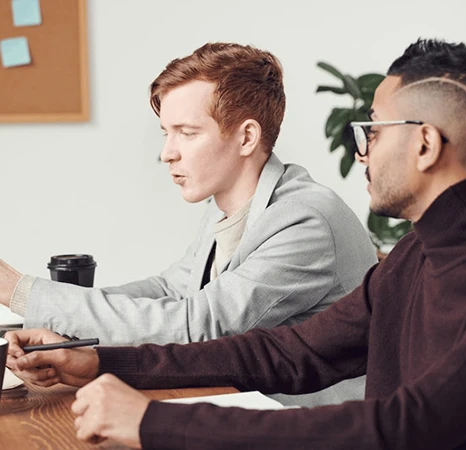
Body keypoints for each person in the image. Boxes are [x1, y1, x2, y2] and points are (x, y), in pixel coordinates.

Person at [7, 37, 466, 449]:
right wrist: (100, 361)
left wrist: (154, 424)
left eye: (372, 130)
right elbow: (287, 352)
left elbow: (403, 430)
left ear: (425, 145)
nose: (360, 150)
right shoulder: (417, 255)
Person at [0, 43, 377, 407]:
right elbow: (171, 290)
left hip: (308, 424)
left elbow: (199, 326)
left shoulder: (306, 219)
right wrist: (65, 337)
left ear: (247, 137)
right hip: (237, 406)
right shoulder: (225, 204)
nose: (167, 153)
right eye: (167, 132)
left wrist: (22, 291)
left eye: (188, 132)